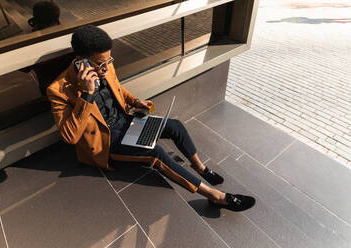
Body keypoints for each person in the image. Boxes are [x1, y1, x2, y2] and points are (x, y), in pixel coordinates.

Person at [47, 25, 255, 212]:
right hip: (106, 142)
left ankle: (201, 168)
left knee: (174, 126)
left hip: (127, 121)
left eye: (109, 61)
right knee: (155, 153)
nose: (106, 68)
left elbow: (118, 89)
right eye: (101, 64)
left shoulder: (105, 66)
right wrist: (86, 95)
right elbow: (70, 137)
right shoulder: (58, 90)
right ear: (81, 61)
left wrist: (136, 102)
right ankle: (215, 196)